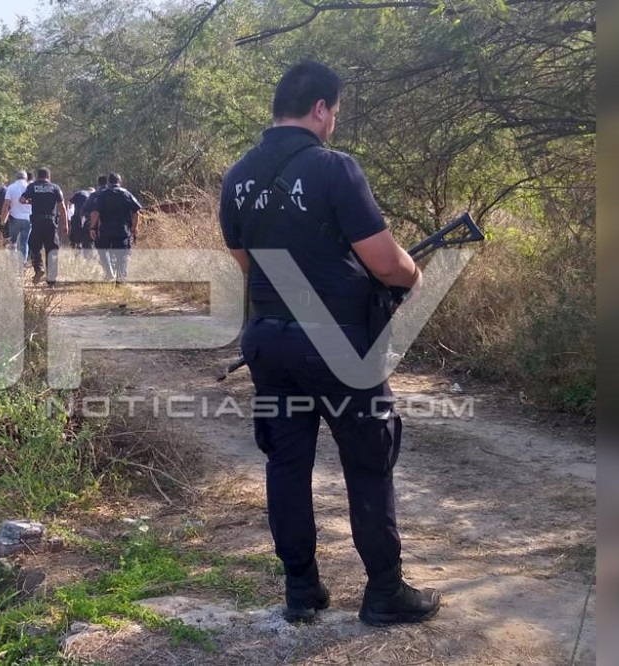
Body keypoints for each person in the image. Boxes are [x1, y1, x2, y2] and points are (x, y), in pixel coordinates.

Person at [218, 60, 438, 626]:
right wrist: (413, 276)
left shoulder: (237, 176)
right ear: (320, 108)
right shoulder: (334, 168)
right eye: (334, 111)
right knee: (367, 461)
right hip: (338, 347)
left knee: (286, 463)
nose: (333, 120)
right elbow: (385, 263)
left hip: (269, 339)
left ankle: (301, 590)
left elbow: (246, 263)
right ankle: (384, 591)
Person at [20, 167, 69, 286]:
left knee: (34, 246)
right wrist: (65, 224)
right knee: (52, 250)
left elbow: (21, 200)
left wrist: (30, 201)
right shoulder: (55, 188)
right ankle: (51, 281)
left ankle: (39, 268)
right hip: (51, 223)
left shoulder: (32, 187)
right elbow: (62, 207)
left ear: (38, 176)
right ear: (48, 177)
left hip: (37, 222)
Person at [90, 172, 141, 283]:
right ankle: (120, 279)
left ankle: (109, 273)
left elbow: (95, 213)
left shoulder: (102, 194)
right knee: (122, 254)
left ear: (108, 182)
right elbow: (136, 211)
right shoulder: (126, 193)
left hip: (106, 229)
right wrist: (134, 227)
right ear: (120, 181)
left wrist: (93, 228)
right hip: (122, 229)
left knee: (103, 251)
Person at [0, 171, 32, 265]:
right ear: (26, 178)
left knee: (13, 242)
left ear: (16, 177)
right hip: (28, 218)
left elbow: (6, 204)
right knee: (24, 242)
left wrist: (3, 220)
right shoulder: (30, 187)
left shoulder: (11, 187)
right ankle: (23, 263)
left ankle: (13, 263)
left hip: (14, 218)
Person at [68, 187, 95, 251]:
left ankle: (76, 246)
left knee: (75, 237)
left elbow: (70, 203)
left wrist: (70, 212)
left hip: (77, 217)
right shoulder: (94, 195)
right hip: (88, 219)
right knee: (87, 238)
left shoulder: (80, 192)